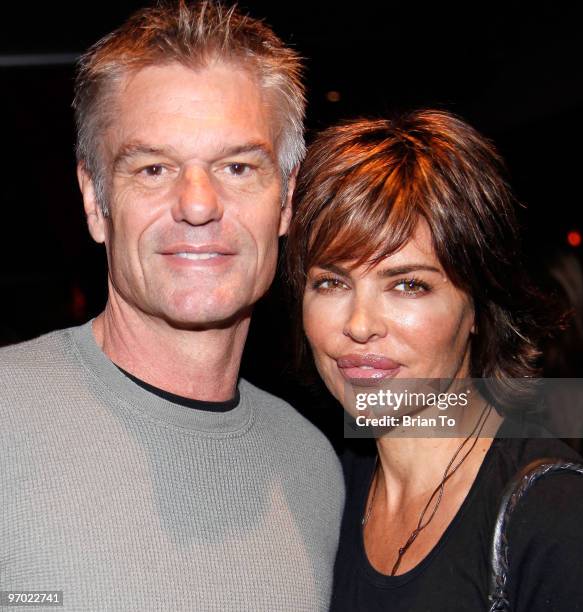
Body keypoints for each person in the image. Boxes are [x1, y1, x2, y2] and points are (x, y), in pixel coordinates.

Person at [0, 2, 344, 610]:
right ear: (94, 199)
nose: (198, 204)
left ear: (286, 200)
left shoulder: (315, 470)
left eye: (238, 167)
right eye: (154, 168)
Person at [285, 110, 583, 610]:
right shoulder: (323, 492)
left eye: (408, 285)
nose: (360, 324)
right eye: (332, 282)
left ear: (477, 304)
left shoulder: (557, 518)